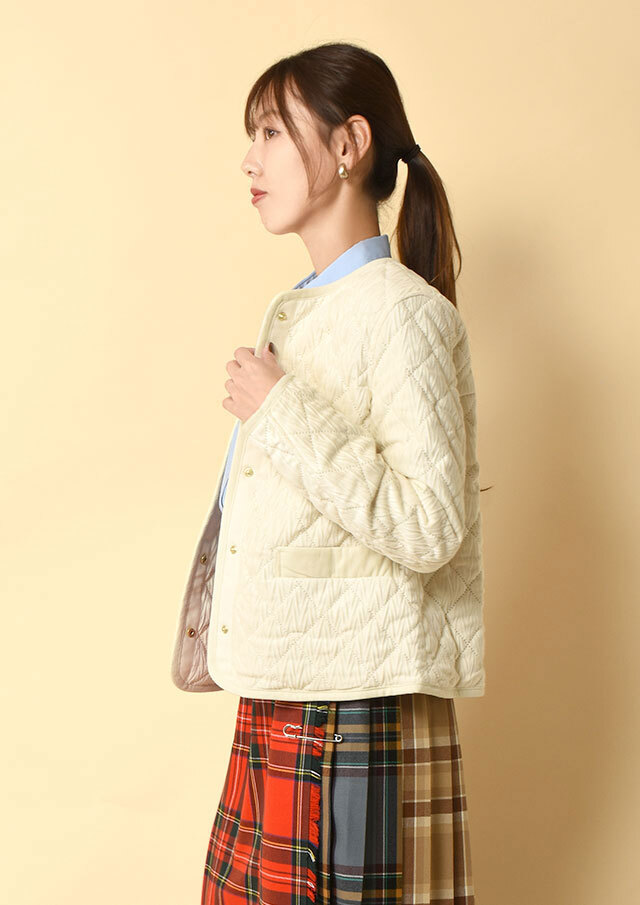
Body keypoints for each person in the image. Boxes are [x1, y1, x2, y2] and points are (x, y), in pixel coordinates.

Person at [171, 41, 486, 905]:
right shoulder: (309, 313)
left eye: (272, 131)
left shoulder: (404, 315)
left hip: (357, 704)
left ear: (347, 145)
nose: (250, 159)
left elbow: (429, 525)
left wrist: (281, 410)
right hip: (293, 687)